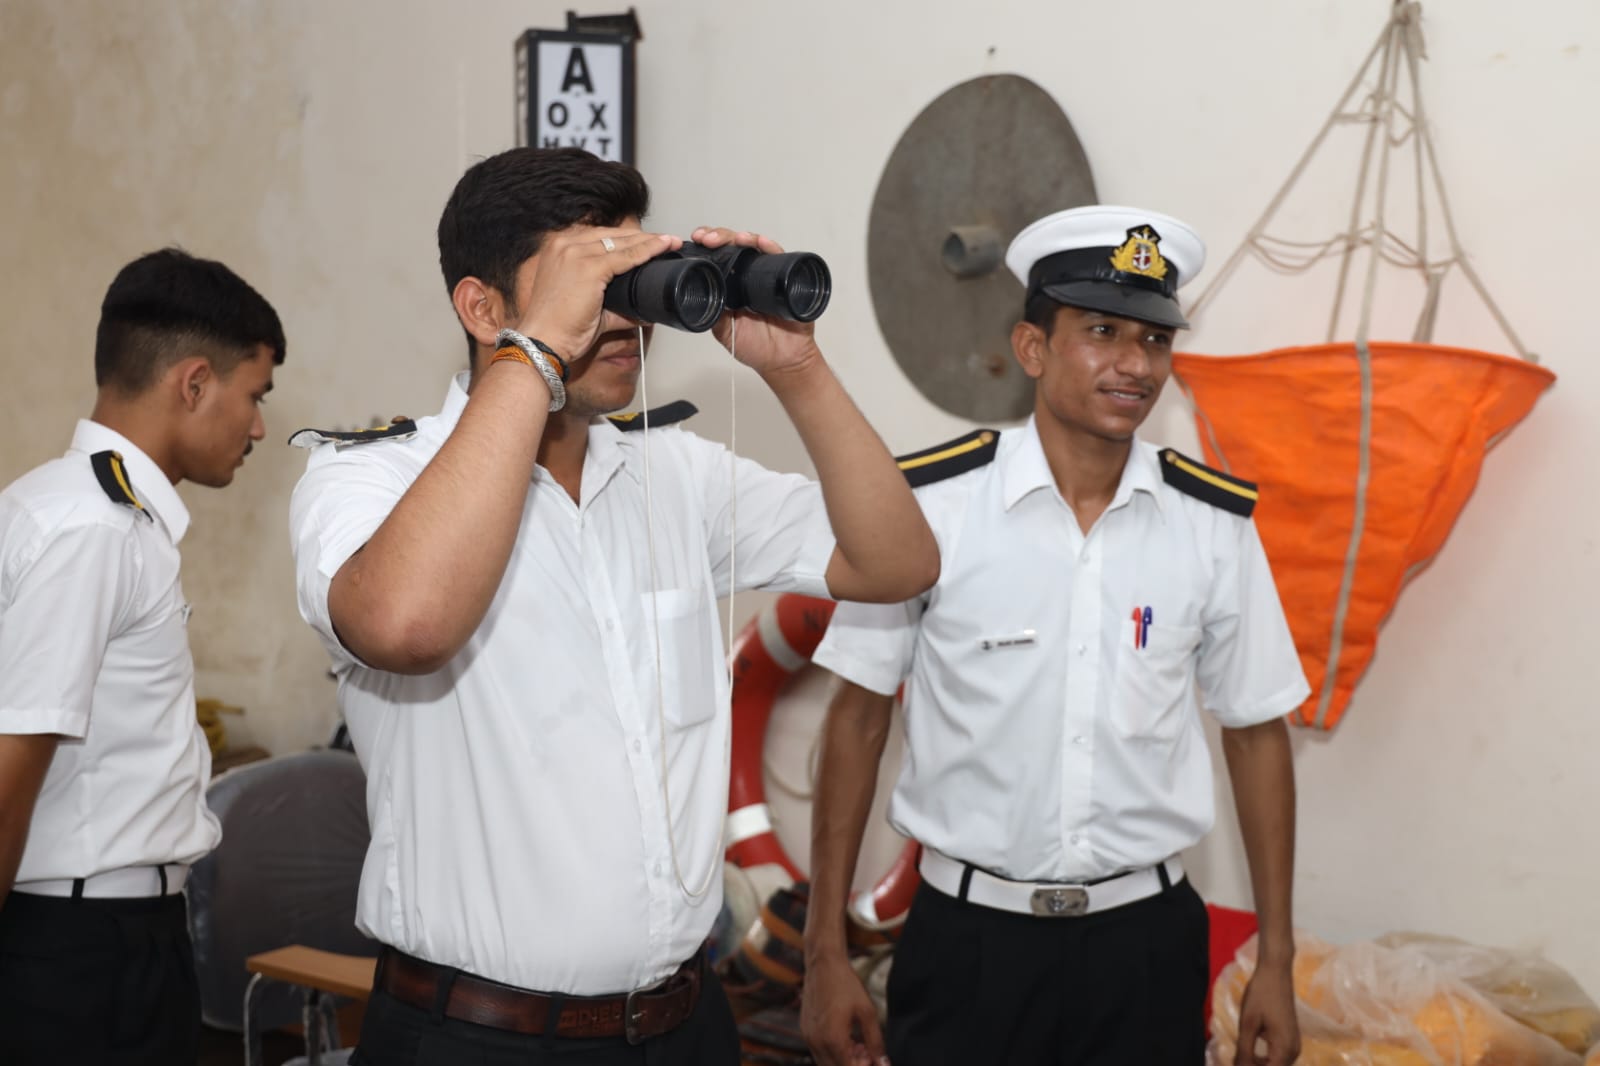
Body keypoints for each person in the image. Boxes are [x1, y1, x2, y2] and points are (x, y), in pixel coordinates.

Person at [287, 146, 939, 1065]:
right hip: (477, 1040)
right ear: (482, 309)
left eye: (634, 275)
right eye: (591, 281)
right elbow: (407, 625)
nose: (628, 315)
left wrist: (797, 367)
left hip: (684, 1027)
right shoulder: (370, 479)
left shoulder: (672, 475)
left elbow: (898, 562)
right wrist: (535, 356)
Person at [800, 206, 1309, 1066]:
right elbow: (856, 719)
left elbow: (1257, 734)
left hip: (1146, 949)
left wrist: (1278, 961)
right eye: (1103, 332)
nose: (1135, 364)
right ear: (1032, 348)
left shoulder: (1211, 525)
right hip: (967, 949)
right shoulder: (929, 509)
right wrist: (824, 953)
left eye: (1154, 340)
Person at [0, 248, 285, 1066]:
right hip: (80, 952)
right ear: (194, 384)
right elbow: (11, 768)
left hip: (114, 937)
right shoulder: (93, 529)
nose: (258, 427)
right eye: (254, 395)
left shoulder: (68, 507)